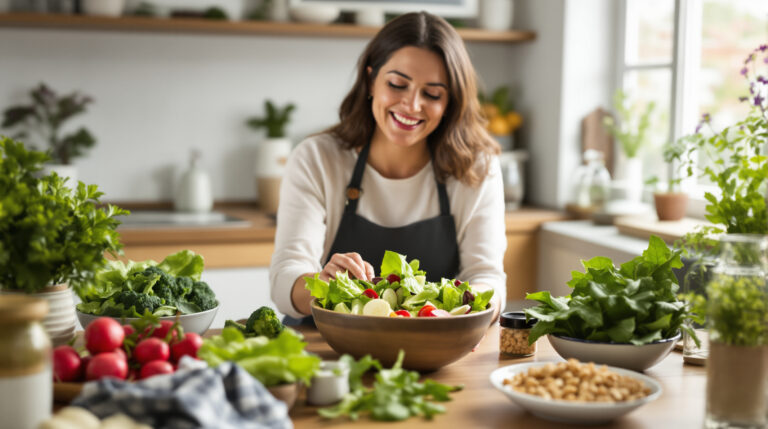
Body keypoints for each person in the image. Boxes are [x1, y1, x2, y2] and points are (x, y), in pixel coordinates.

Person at [269, 11, 507, 323]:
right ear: (370, 80)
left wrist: (456, 312)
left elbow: (488, 277)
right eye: (397, 84)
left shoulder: (476, 168)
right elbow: (286, 277)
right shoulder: (317, 158)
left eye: (432, 93)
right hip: (326, 347)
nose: (412, 105)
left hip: (434, 349)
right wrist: (321, 285)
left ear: (450, 102)